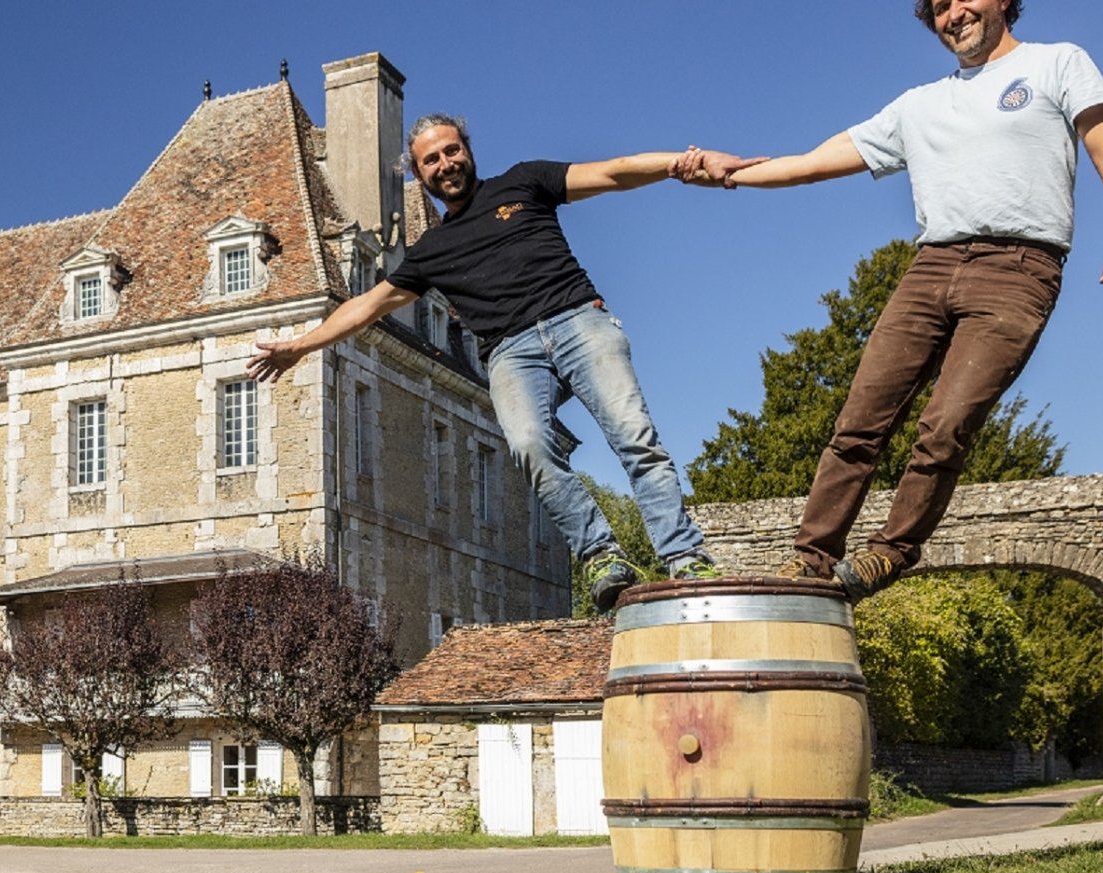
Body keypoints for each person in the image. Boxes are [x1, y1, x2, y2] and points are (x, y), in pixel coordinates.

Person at [697, 0, 1103, 600]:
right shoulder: (919, 104)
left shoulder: (1058, 63)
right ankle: (812, 557)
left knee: (944, 426)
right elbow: (816, 160)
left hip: (1018, 271)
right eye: (941, 7)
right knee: (860, 420)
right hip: (930, 267)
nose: (955, 13)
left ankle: (893, 549)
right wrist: (733, 172)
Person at [247, 114, 759, 611]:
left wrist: (685, 162)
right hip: (511, 351)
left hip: (577, 320)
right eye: (431, 159)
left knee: (634, 438)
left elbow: (613, 170)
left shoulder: (524, 182)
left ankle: (684, 554)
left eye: (452, 150)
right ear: (419, 174)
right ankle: (601, 554)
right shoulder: (433, 250)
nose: (446, 163)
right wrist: (300, 345)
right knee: (531, 446)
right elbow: (367, 304)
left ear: (467, 150)